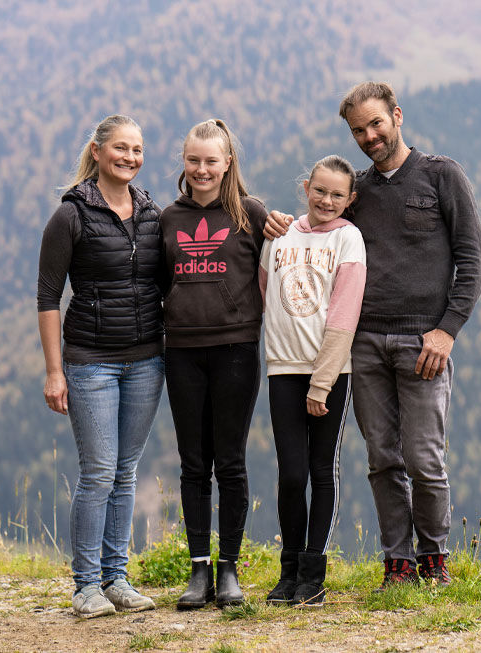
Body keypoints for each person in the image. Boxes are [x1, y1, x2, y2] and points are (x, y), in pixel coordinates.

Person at [265, 82, 481, 589]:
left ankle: (435, 558)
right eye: (358, 130)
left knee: (424, 459)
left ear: (397, 117)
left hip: (423, 345)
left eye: (376, 124)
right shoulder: (357, 193)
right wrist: (269, 220)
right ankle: (398, 563)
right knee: (382, 459)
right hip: (363, 345)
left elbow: (474, 260)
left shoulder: (441, 176)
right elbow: (314, 229)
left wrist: (447, 332)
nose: (369, 136)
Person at [37, 115, 164, 618]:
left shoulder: (151, 212)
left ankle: (117, 578)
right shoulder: (70, 215)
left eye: (137, 149)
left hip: (146, 361)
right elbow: (48, 297)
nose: (130, 157)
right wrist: (54, 371)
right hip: (91, 363)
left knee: (126, 472)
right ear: (96, 150)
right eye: (120, 148)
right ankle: (86, 585)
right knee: (99, 472)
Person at [160, 119, 268, 609]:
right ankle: (198, 571)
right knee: (192, 463)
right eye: (193, 160)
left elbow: (290, 259)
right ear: (184, 162)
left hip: (236, 350)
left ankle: (230, 569)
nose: (202, 169)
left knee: (230, 461)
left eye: (211, 160)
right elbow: (157, 282)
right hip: (182, 350)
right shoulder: (167, 219)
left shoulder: (251, 214)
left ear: (228, 163)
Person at [260, 156, 366, 607]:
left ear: (350, 199)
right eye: (320, 190)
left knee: (322, 471)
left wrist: (321, 384)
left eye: (337, 194)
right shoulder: (280, 234)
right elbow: (265, 293)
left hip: (329, 373)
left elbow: (344, 316)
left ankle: (313, 574)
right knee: (291, 473)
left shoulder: (349, 239)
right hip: (283, 369)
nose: (327, 200)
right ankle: (288, 572)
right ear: (306, 187)